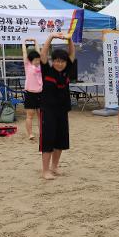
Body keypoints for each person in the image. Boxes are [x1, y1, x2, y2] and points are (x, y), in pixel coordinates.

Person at [39, 32, 75, 180]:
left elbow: (72, 53)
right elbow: (43, 53)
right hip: (48, 111)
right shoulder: (47, 71)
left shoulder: (66, 72)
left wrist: (69, 39)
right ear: (53, 61)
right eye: (57, 61)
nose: (60, 63)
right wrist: (52, 37)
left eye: (62, 61)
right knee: (48, 141)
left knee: (60, 140)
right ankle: (45, 170)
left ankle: (55, 166)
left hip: (62, 111)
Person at [22, 38, 43, 140]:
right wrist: (24, 42)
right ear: (31, 60)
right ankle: (30, 134)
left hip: (40, 93)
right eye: (36, 60)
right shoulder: (28, 65)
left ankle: (42, 133)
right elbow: (24, 53)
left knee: (41, 116)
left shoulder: (41, 66)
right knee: (30, 116)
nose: (38, 61)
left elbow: (38, 52)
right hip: (30, 93)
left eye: (38, 59)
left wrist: (35, 42)